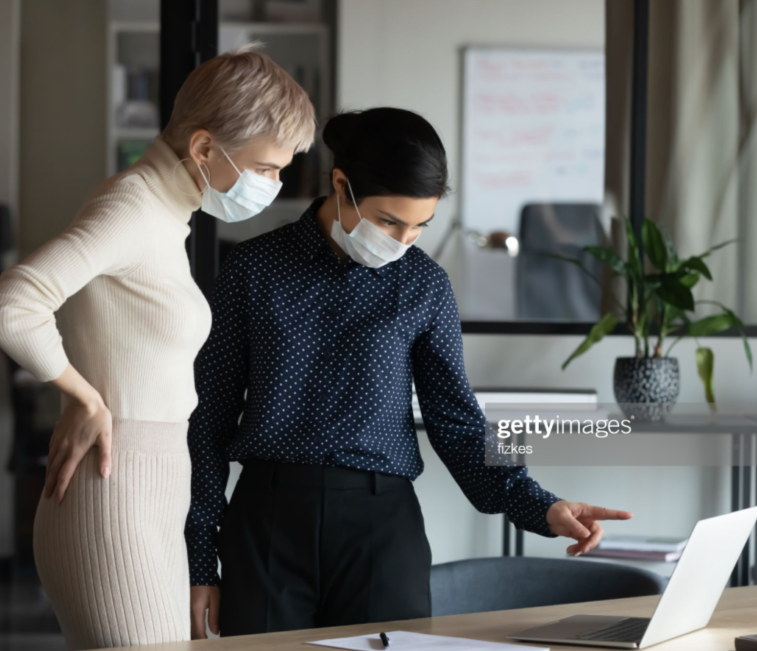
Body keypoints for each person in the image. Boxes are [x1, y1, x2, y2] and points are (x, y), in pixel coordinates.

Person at [186, 107, 633, 638]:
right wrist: (200, 563)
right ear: (341, 185)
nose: (402, 241)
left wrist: (540, 505)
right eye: (388, 221)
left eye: (419, 227)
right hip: (268, 522)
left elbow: (458, 423)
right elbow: (206, 421)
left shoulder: (424, 286)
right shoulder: (252, 269)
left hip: (381, 529)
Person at [0, 46, 315, 650]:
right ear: (205, 149)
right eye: (267, 168)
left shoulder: (166, 213)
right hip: (113, 488)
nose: (275, 184)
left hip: (151, 483)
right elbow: (9, 305)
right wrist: (83, 399)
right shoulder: (131, 205)